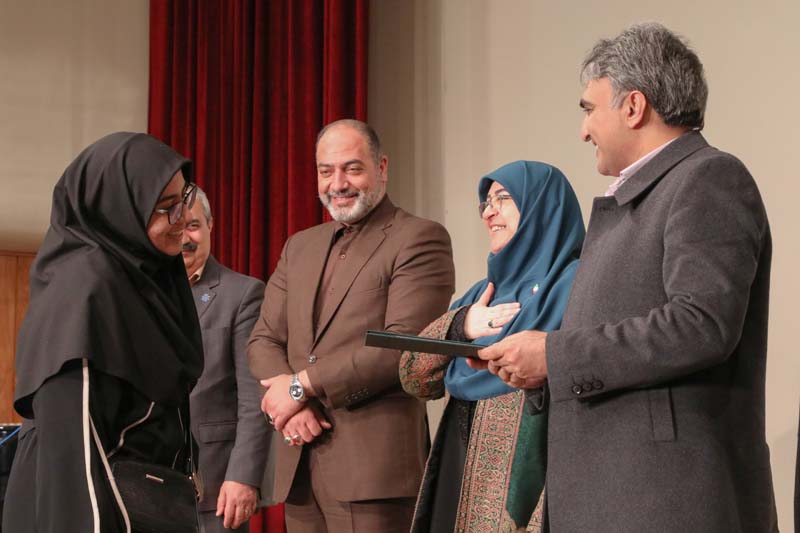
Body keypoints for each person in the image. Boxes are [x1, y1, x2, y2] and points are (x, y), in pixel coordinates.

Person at [475, 22, 778, 531]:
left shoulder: (707, 177)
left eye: (589, 109)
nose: (583, 130)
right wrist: (540, 369)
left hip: (665, 501)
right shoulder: (638, 201)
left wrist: (554, 356)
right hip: (619, 498)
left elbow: (701, 324)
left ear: (633, 107)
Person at [247, 119, 456, 532]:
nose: (338, 183)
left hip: (374, 475)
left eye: (352, 168)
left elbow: (401, 346)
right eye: (326, 171)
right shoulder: (299, 246)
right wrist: (292, 407)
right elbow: (263, 340)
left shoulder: (419, 238)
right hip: (299, 464)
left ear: (382, 167)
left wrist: (299, 387)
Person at [3, 132, 204, 532]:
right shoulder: (84, 294)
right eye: (165, 207)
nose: (181, 218)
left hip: (142, 506)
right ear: (118, 210)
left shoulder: (147, 280)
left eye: (184, 198)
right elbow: (71, 455)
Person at [400, 161, 584, 532]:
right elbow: (414, 376)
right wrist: (462, 324)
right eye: (485, 202)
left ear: (542, 207)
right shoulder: (481, 294)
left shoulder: (578, 286)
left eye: (503, 198)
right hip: (456, 473)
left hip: (530, 489)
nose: (488, 212)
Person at [182, 187, 271, 532]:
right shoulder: (140, 296)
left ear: (210, 225)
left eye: (193, 225)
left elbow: (254, 396)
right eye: (177, 227)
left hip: (216, 486)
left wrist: (243, 476)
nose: (185, 237)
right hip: (147, 481)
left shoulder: (243, 293)